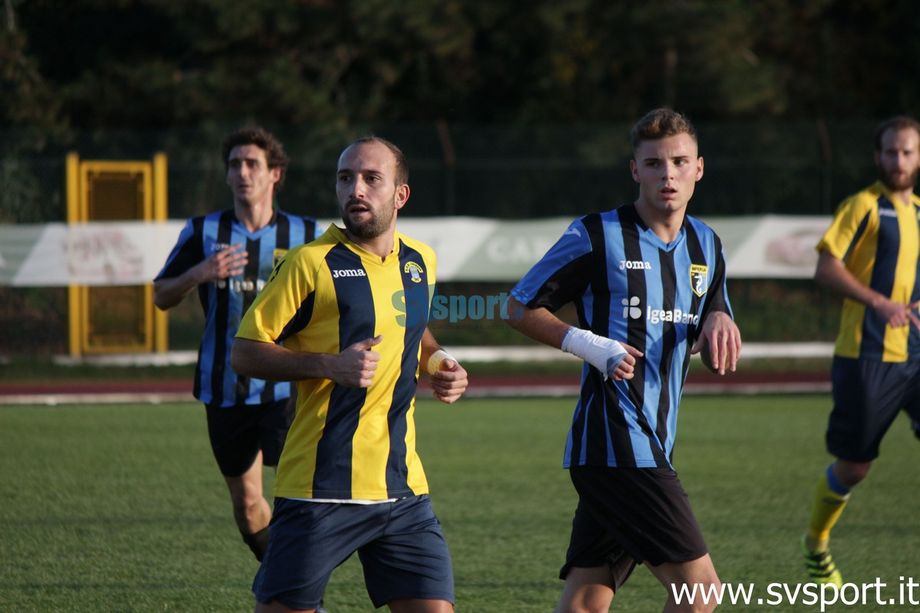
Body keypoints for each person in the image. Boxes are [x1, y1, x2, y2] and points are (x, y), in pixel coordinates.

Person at [506, 108, 742, 612]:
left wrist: (719, 319)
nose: (668, 175)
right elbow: (519, 306)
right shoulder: (596, 234)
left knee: (587, 599)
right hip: (616, 442)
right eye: (654, 164)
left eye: (679, 162)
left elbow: (713, 307)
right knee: (699, 592)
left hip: (648, 445)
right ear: (635, 170)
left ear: (699, 168)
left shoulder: (707, 244)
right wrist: (590, 344)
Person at [231, 135, 469, 613]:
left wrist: (441, 362)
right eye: (345, 178)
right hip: (320, 488)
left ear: (400, 195)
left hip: (402, 489)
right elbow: (245, 352)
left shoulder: (420, 262)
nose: (355, 189)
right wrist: (327, 365)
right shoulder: (309, 264)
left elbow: (415, 331)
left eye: (370, 179)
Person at [153, 126, 318, 563]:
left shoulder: (306, 235)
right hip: (224, 388)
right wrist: (200, 273)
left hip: (287, 386)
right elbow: (161, 296)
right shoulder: (203, 231)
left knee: (302, 495)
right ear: (226, 176)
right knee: (248, 509)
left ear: (275, 174)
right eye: (234, 165)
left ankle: (299, 593)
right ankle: (281, 577)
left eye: (252, 164)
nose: (242, 173)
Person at [800, 115, 920, 587]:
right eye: (891, 152)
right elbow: (826, 269)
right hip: (866, 358)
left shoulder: (919, 214)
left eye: (907, 152)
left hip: (916, 354)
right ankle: (816, 543)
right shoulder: (864, 206)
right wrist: (877, 302)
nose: (899, 160)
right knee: (855, 466)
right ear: (878, 157)